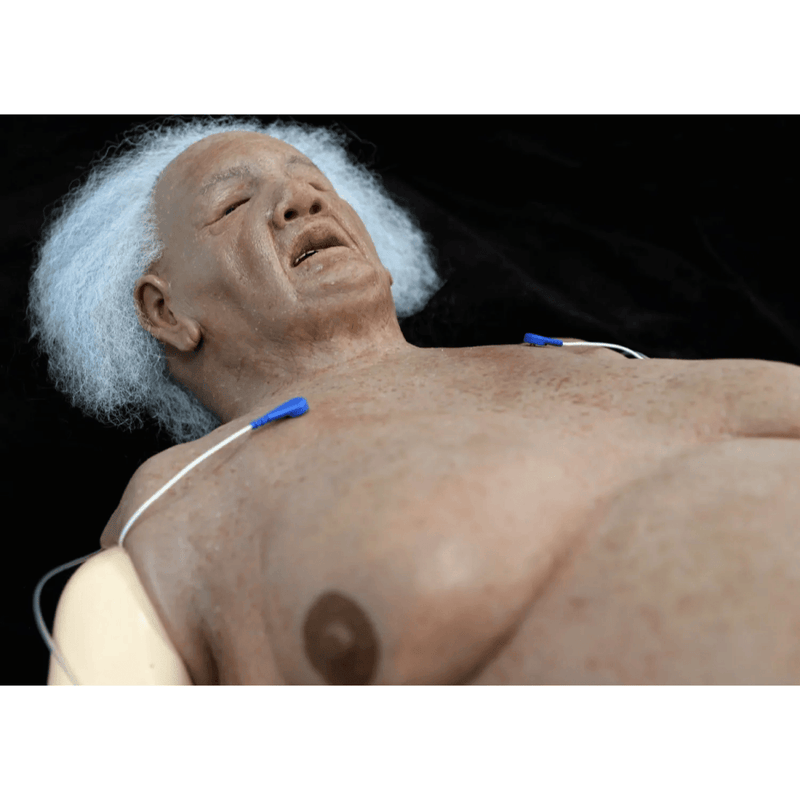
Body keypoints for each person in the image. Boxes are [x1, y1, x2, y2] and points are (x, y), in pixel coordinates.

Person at [29, 118, 800, 685]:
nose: (300, 200)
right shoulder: (177, 529)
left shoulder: (591, 361)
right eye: (232, 205)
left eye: (315, 181)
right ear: (166, 311)